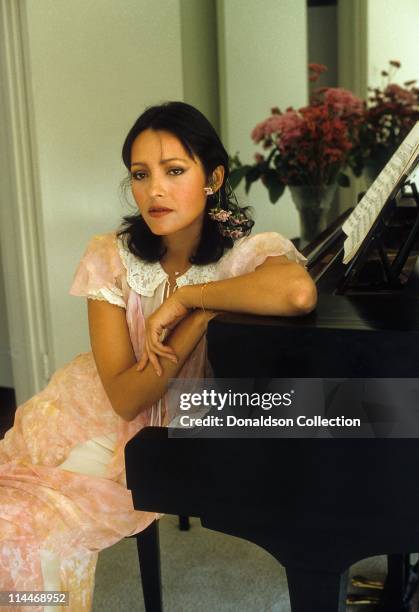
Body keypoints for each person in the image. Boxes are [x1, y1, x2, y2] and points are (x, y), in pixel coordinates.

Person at [0, 101, 317, 610]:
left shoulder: (246, 255)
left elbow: (298, 293)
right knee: (17, 529)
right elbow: (126, 397)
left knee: (22, 533)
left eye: (174, 171)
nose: (155, 191)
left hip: (163, 438)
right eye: (140, 175)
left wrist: (191, 298)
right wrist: (199, 320)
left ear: (213, 177)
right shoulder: (110, 254)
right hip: (85, 417)